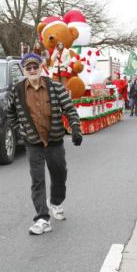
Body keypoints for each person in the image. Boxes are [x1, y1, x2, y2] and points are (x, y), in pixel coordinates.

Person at [7, 52, 82, 235]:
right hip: (33, 144)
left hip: (55, 141)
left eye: (35, 67)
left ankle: (55, 202)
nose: (32, 70)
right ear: (24, 70)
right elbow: (10, 114)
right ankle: (42, 218)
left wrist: (75, 128)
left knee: (59, 176)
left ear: (41, 68)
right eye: (28, 68)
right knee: (37, 181)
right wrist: (22, 130)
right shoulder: (17, 91)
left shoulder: (55, 87)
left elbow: (70, 109)